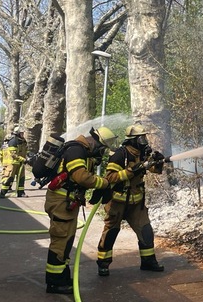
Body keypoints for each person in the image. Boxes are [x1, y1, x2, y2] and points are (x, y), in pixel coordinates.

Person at [44, 126, 116, 295]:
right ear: (95, 143)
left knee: (66, 240)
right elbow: (81, 177)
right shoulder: (76, 151)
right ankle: (54, 282)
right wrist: (104, 183)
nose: (102, 153)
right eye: (102, 148)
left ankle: (61, 275)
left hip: (67, 201)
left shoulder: (82, 151)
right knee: (60, 241)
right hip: (61, 201)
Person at [94, 124, 167, 277]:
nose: (144, 141)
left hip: (137, 204)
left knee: (146, 231)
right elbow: (110, 177)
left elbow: (152, 169)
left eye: (145, 137)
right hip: (117, 203)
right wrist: (132, 171)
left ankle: (148, 261)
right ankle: (103, 264)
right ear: (132, 140)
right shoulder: (120, 155)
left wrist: (158, 162)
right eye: (141, 138)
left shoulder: (142, 153)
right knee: (111, 232)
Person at [0, 126, 29, 198]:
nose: (23, 135)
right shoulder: (13, 141)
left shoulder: (23, 141)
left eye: (23, 133)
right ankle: (3, 193)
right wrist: (23, 159)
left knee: (21, 178)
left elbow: (24, 151)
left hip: (20, 163)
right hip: (12, 164)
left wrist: (27, 158)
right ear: (18, 133)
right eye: (21, 133)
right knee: (9, 178)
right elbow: (13, 154)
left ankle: (21, 192)